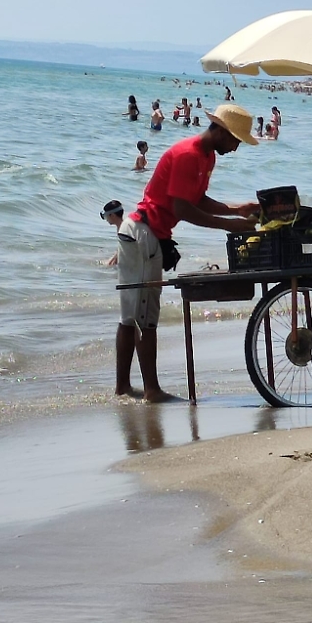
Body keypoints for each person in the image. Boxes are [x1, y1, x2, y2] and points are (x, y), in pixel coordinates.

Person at [114, 104, 260, 401]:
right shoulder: (187, 154)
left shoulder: (206, 158)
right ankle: (150, 390)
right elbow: (182, 209)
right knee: (143, 317)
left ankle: (124, 387)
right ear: (218, 131)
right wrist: (229, 226)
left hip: (149, 234)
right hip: (143, 233)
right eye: (234, 140)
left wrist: (236, 208)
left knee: (132, 315)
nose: (235, 147)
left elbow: (198, 200)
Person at [101, 200, 124, 267]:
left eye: (106, 216)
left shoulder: (122, 230)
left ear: (113, 215)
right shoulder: (122, 225)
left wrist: (109, 263)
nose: (106, 219)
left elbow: (121, 253)